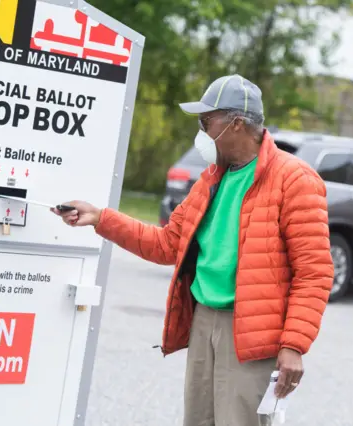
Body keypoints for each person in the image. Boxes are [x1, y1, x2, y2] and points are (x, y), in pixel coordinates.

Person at [52, 74, 334, 426]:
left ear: (234, 123)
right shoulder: (211, 179)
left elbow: (314, 271)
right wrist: (101, 218)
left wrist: (294, 345)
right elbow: (167, 244)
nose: (200, 131)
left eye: (206, 121)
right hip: (204, 320)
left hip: (250, 332)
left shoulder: (295, 180)